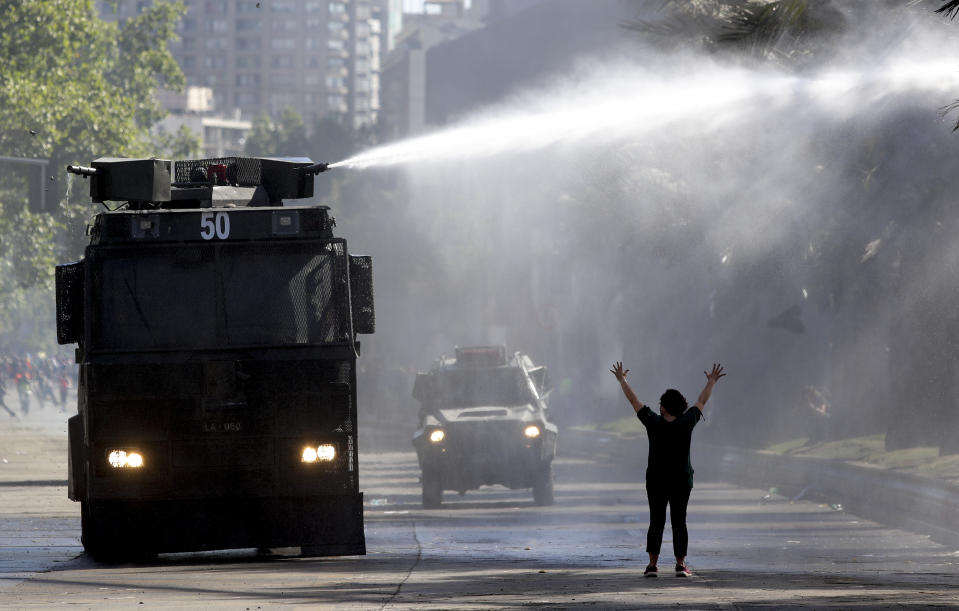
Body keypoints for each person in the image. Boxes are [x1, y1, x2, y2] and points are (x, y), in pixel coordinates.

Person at [610, 361, 725, 578]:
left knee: (657, 521)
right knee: (679, 521)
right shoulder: (687, 421)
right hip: (682, 480)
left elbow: (633, 400)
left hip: (656, 480)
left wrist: (622, 380)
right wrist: (711, 382)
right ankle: (681, 565)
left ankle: (652, 565)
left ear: (663, 407)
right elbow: (702, 400)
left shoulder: (653, 422)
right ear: (681, 407)